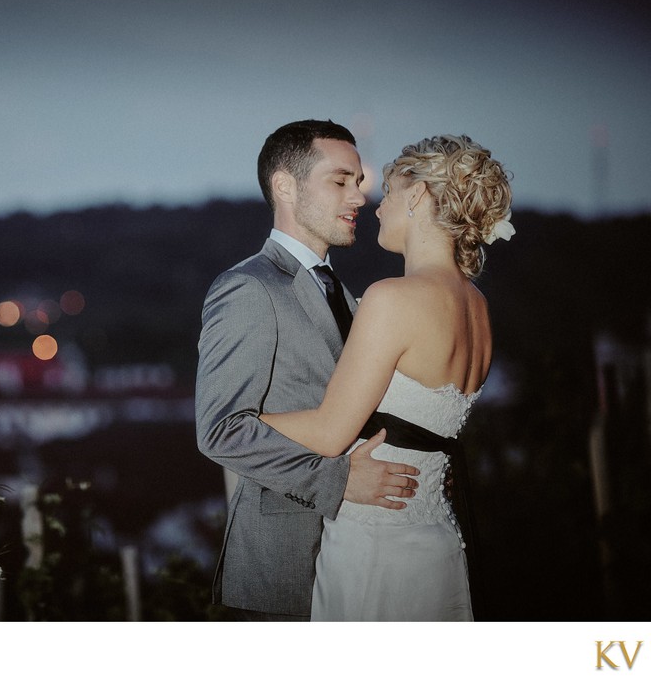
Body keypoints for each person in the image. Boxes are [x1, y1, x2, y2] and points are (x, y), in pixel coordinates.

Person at [260, 133, 514, 621]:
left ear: (418, 194)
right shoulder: (477, 307)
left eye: (390, 192)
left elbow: (330, 432)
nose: (376, 207)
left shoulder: (392, 298)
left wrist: (241, 419)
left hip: (375, 539)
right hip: (436, 537)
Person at [195, 119, 421, 621]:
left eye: (358, 183)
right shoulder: (248, 289)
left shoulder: (347, 295)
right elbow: (220, 431)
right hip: (282, 567)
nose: (359, 197)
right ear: (285, 186)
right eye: (340, 181)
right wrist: (339, 482)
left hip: (363, 559)